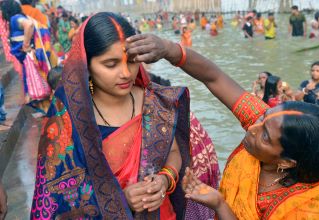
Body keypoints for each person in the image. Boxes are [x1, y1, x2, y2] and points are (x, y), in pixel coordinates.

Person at [126, 33, 319, 219]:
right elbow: (214, 77)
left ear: (286, 162)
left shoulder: (304, 207)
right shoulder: (264, 122)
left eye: (265, 136)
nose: (253, 127)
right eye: (263, 116)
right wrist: (168, 49)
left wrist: (219, 204)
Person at [30, 12, 219, 219]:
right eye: (110, 64)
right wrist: (120, 199)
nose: (126, 73)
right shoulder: (68, 117)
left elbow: (174, 153)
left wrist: (164, 180)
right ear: (87, 65)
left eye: (131, 61)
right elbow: (57, 193)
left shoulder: (155, 102)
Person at [1, 0, 57, 113]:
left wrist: (26, 44)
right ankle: (46, 110)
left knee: (37, 81)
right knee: (36, 81)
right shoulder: (17, 17)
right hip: (26, 57)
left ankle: (48, 110)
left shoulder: (15, 18)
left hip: (28, 56)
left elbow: (29, 24)